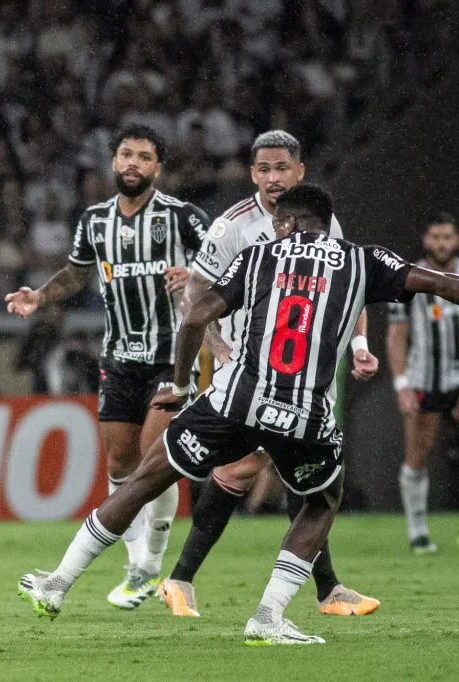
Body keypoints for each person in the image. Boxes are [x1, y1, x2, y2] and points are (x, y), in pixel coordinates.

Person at [19, 183, 459, 645]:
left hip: (235, 402)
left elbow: (194, 318)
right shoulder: (363, 260)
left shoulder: (258, 257)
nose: (274, 229)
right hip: (304, 413)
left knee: (144, 480)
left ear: (288, 222)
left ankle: (58, 583)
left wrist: (181, 386)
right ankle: (267, 616)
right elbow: (439, 283)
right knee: (320, 502)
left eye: (278, 223)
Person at [159, 130, 380, 618]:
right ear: (252, 174)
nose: (273, 177)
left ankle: (323, 589)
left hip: (305, 368)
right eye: (264, 169)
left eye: (282, 168)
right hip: (249, 369)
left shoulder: (324, 222)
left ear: (300, 171)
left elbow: (350, 287)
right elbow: (195, 294)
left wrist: (360, 345)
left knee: (294, 469)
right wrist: (220, 349)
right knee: (254, 467)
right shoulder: (232, 227)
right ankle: (182, 578)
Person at [5, 124, 211, 608]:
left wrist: (194, 274)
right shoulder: (95, 220)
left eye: (144, 156)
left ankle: (151, 561)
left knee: (155, 455)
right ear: (114, 162)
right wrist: (40, 296)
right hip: (119, 358)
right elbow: (76, 273)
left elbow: (227, 265)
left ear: (158, 168)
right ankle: (138, 565)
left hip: (172, 356)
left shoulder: (184, 217)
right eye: (126, 154)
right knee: (120, 463)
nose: (133, 163)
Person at [387, 212, 459, 554]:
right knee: (418, 451)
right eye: (436, 237)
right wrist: (401, 383)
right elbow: (397, 335)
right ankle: (418, 531)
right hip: (423, 377)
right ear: (425, 240)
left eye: (447, 237)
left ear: (455, 240)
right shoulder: (410, 278)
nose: (441, 243)